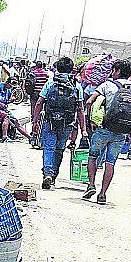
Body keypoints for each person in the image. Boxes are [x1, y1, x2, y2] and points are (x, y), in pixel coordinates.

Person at [81, 59, 131, 204]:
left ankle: (91, 185)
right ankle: (102, 194)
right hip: (121, 132)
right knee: (110, 162)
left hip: (104, 128)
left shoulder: (107, 85)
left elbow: (89, 101)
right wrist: (130, 131)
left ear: (117, 71)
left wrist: (91, 118)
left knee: (93, 156)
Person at [30, 56, 85, 189]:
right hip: (67, 123)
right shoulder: (76, 85)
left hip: (50, 120)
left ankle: (47, 173)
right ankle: (53, 176)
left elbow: (39, 102)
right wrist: (83, 129)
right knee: (59, 149)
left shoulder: (50, 82)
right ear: (71, 69)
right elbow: (80, 108)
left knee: (48, 147)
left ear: (57, 68)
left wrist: (35, 121)